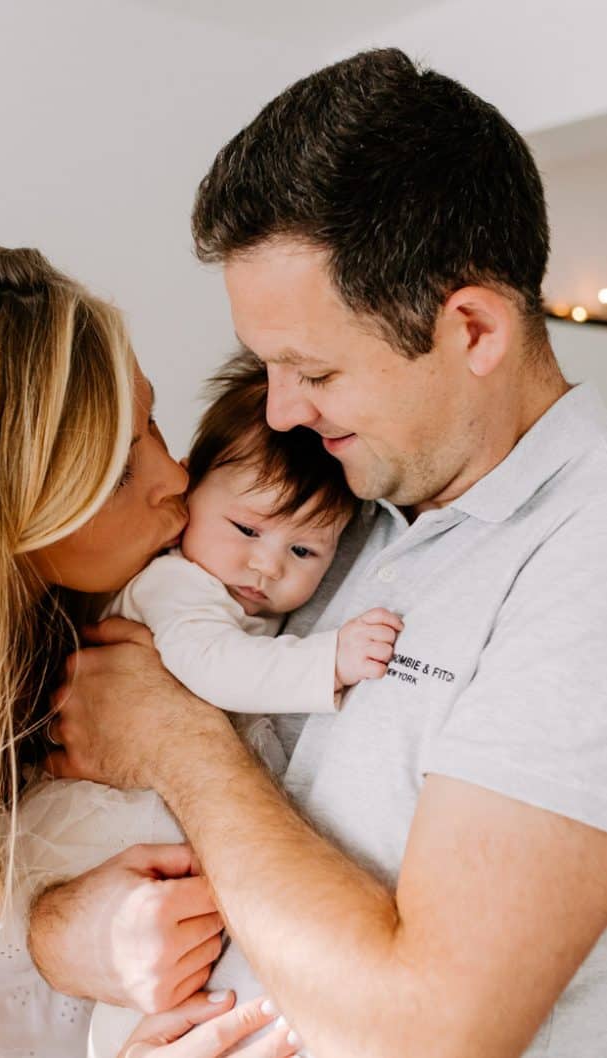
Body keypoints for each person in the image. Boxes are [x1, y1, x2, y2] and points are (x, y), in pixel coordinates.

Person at [38, 48, 607, 1058]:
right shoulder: (349, 488)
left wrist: (172, 736)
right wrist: (68, 925)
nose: (283, 409)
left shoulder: (584, 547)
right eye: (267, 366)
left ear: (470, 327)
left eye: (315, 368)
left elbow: (438, 1029)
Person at [0, 241, 300, 1058]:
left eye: (152, 420)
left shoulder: (148, 602)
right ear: (2, 510)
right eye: (119, 468)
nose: (176, 477)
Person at [0, 354, 399, 1058]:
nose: (267, 566)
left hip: (143, 836)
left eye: (303, 550)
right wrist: (328, 662)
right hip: (102, 827)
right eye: (247, 531)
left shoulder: (231, 589)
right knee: (135, 991)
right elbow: (214, 667)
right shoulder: (177, 587)